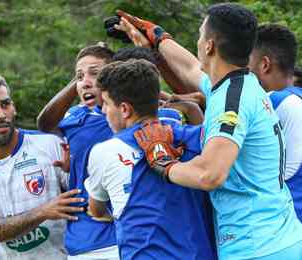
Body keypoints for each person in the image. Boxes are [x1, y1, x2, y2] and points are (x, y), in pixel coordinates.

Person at [116, 3, 302, 260]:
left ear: (210, 46)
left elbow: (209, 174)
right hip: (274, 238)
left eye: (200, 35)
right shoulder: (235, 84)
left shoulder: (232, 102)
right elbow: (191, 68)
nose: (198, 41)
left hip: (257, 247)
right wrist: (158, 36)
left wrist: (162, 162)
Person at [85, 59, 216, 260]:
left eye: (107, 104)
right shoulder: (202, 138)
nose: (103, 111)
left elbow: (95, 209)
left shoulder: (105, 151)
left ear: (125, 109)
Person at [0, 73, 84, 260]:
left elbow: (84, 199)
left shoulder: (50, 144)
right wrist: (43, 211)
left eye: (5, 104)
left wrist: (75, 171)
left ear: (13, 107)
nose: (1, 114)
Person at [38, 44, 120, 260]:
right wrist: (78, 82)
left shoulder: (135, 115)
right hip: (87, 238)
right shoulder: (76, 117)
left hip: (130, 234)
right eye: (79, 76)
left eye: (95, 73)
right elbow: (44, 123)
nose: (85, 82)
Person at [248, 24, 302, 221]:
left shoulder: (274, 102)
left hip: (288, 226)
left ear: (264, 65)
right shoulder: (296, 99)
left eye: (246, 63)